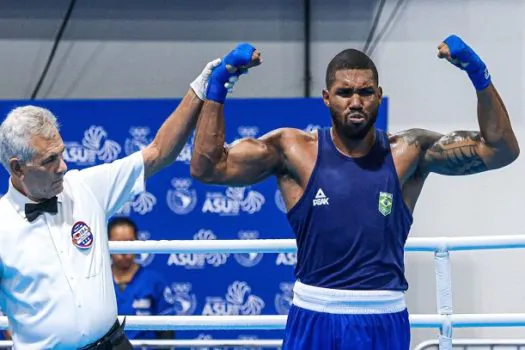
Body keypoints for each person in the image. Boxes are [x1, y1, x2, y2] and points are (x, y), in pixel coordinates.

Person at [190, 36, 520, 349]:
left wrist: (478, 74)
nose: (356, 101)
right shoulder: (293, 150)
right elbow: (207, 168)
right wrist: (219, 84)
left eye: (365, 91)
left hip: (382, 315)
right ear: (326, 97)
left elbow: (502, 150)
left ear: (378, 94)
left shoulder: (409, 151)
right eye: (344, 92)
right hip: (314, 314)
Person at [0, 50, 225, 349]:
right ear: (17, 167)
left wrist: (199, 88)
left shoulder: (85, 187)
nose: (63, 166)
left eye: (62, 154)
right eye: (50, 160)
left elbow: (159, 152)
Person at [108, 217, 175, 347]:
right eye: (118, 243)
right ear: (107, 243)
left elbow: (167, 330)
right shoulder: (99, 282)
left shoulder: (154, 281)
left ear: (138, 242)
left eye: (129, 242)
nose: (124, 251)